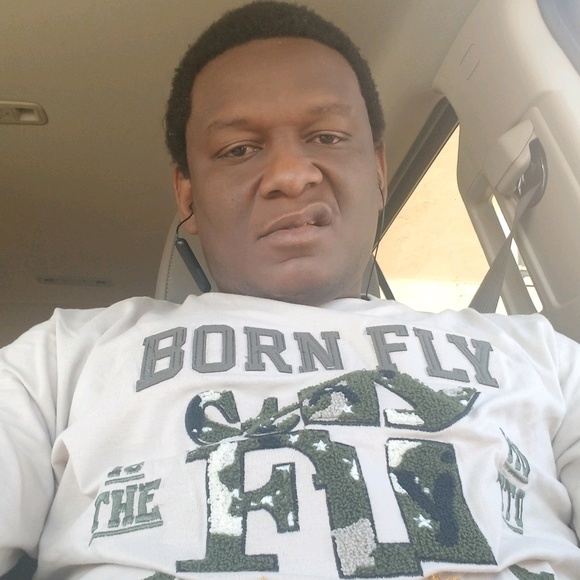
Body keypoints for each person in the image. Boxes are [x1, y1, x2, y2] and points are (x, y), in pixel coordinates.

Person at [1, 2, 580, 579]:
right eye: (238, 150)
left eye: (327, 136)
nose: (290, 175)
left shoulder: (543, 358)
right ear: (187, 195)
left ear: (379, 171)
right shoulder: (63, 361)